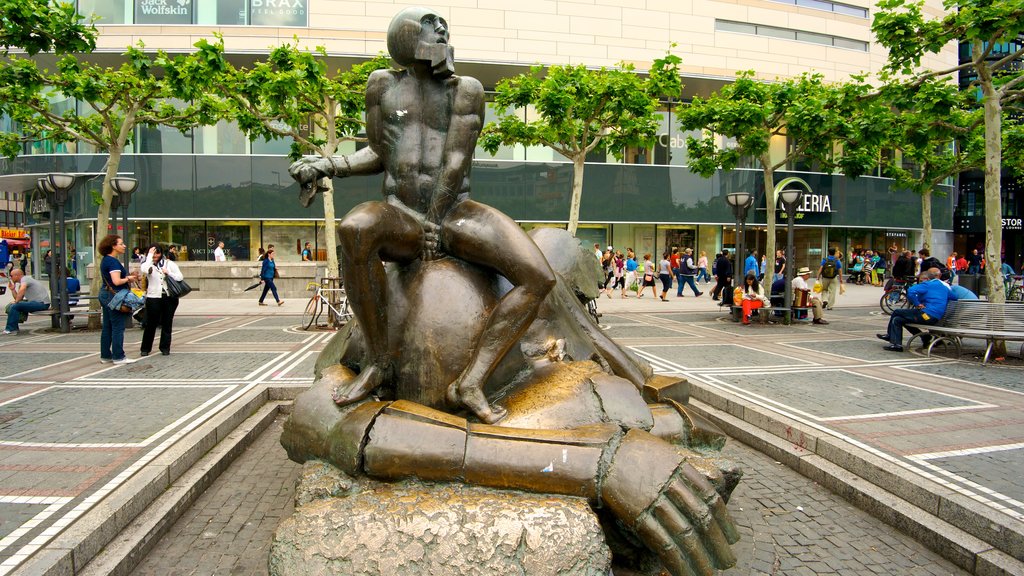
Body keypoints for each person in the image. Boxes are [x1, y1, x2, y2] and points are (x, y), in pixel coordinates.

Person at [289, 11, 560, 426]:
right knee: (354, 228)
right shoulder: (382, 85)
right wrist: (330, 165)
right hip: (401, 215)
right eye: (433, 25)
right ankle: (380, 362)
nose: (443, 31)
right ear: (407, 35)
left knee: (538, 276)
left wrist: (434, 221)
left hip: (456, 213)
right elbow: (380, 151)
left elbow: (455, 161)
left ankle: (471, 381)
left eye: (443, 25)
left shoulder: (465, 90)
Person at [878, 269, 952, 352]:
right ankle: (898, 344)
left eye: (920, 281)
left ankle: (890, 336)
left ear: (927, 279)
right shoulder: (943, 286)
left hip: (926, 315)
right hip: (935, 317)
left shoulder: (928, 284)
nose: (920, 282)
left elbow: (911, 291)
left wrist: (917, 304)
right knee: (898, 319)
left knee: (896, 312)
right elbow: (953, 297)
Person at [98, 234, 140, 364]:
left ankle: (105, 355)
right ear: (113, 246)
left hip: (106, 294)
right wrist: (129, 278)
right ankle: (118, 356)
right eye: (121, 244)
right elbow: (116, 281)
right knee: (117, 326)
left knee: (107, 326)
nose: (124, 246)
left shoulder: (105, 260)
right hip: (115, 296)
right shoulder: (113, 261)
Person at [139, 244, 184, 356]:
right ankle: (145, 348)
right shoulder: (147, 264)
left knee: (167, 322)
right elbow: (145, 269)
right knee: (151, 323)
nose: (155, 255)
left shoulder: (169, 264)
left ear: (161, 253)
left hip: (169, 297)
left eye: (157, 253)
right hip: (153, 297)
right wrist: (149, 255)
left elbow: (180, 277)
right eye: (153, 253)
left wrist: (169, 273)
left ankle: (165, 347)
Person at [3, 269, 49, 335]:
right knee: (13, 306)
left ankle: (11, 329)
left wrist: (16, 302)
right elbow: (18, 298)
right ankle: (14, 328)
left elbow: (22, 290)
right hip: (38, 303)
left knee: (15, 306)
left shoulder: (25, 279)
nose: (10, 277)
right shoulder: (22, 283)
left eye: (11, 276)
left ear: (16, 275)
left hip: (41, 303)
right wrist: (13, 289)